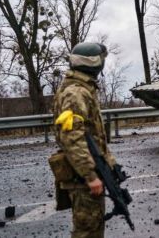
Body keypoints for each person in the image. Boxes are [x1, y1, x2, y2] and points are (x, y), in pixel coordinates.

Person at [51, 42, 116, 238]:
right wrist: (90, 176)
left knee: (93, 228)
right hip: (82, 177)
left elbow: (92, 136)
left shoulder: (80, 89)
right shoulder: (77, 93)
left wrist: (109, 165)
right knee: (87, 232)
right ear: (95, 64)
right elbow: (72, 138)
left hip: (86, 171)